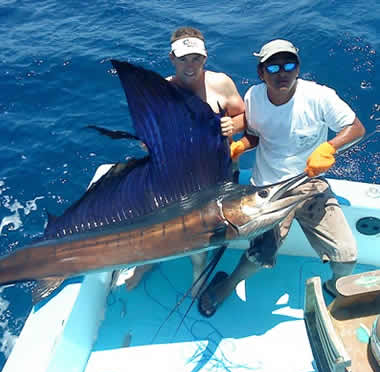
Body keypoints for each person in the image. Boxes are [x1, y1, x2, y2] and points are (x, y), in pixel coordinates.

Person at [198, 39, 366, 317]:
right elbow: (255, 132)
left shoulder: (320, 96)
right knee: (258, 257)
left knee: (347, 256)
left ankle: (335, 287)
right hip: (267, 191)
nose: (282, 72)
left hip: (310, 186)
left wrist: (329, 147)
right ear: (261, 73)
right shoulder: (254, 96)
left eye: (289, 64)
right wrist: (242, 145)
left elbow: (356, 128)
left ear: (298, 68)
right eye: (273, 67)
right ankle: (227, 284)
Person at [125, 26, 245, 294]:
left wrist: (232, 126)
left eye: (196, 58)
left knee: (203, 230)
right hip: (178, 176)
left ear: (205, 57)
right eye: (183, 59)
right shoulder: (161, 92)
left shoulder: (222, 83)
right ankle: (147, 263)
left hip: (218, 174)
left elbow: (244, 116)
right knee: (159, 225)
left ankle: (197, 269)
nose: (190, 66)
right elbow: (146, 139)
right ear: (171, 58)